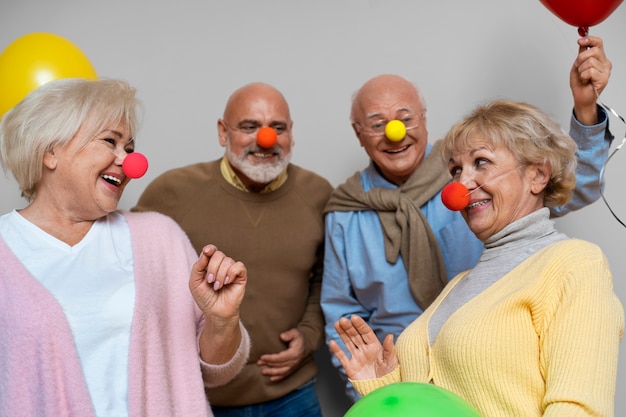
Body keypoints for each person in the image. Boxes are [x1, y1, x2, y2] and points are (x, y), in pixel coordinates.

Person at [321, 35, 615, 401]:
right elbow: (345, 318)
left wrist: (586, 111)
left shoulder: (569, 262)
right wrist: (377, 393)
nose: (461, 187)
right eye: (377, 122)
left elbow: (567, 182)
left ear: (424, 121)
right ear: (359, 134)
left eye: (405, 117)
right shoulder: (456, 281)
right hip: (402, 393)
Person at [0, 78, 251, 417]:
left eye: (130, 148)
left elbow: (215, 372)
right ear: (50, 151)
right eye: (110, 142)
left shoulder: (159, 238)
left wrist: (222, 321)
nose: (130, 161)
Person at [132, 82, 333, 417]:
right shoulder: (172, 192)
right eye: (249, 126)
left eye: (277, 128)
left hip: (292, 394)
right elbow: (130, 274)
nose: (265, 139)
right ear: (223, 132)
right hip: (201, 399)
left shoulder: (318, 193)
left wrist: (309, 335)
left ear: (291, 134)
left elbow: (326, 277)